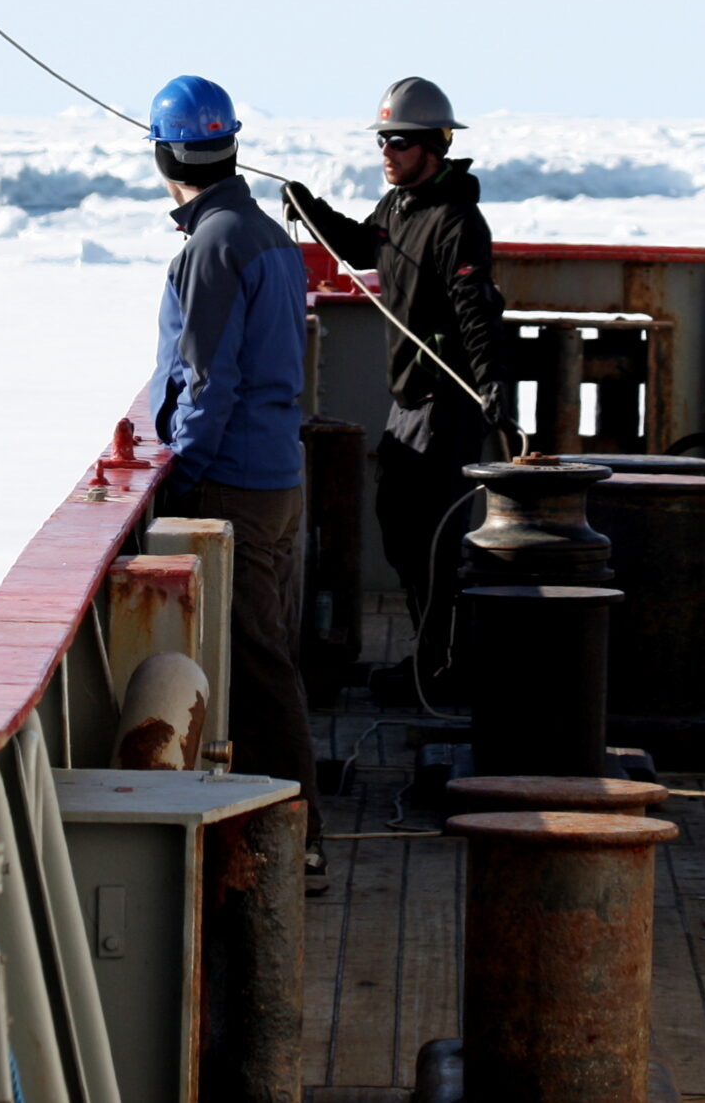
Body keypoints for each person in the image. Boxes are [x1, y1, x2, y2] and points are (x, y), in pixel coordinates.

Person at [143, 75, 324, 877]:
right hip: (274, 473)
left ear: (163, 154)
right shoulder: (265, 235)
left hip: (237, 487)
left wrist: (184, 473)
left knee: (257, 662)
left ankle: (298, 838)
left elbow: (209, 382)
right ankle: (280, 827)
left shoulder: (215, 243)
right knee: (263, 653)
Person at [280, 77, 508, 693]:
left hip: (444, 402)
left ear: (435, 146)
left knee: (430, 538)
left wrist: (490, 386)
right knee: (403, 531)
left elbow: (475, 307)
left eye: (399, 142)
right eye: (383, 141)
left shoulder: (456, 220)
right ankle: (433, 661)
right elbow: (361, 245)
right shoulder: (400, 208)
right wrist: (310, 208)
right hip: (409, 398)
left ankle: (444, 670)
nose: (387, 152)